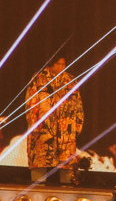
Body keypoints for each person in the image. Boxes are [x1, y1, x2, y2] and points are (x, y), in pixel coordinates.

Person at [25, 56, 84, 184]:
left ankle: (66, 190)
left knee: (67, 164)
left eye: (63, 64)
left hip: (66, 130)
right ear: (51, 63)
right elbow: (31, 102)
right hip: (43, 129)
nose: (61, 67)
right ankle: (37, 190)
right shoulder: (39, 78)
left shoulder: (70, 79)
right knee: (40, 162)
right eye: (58, 64)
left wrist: (78, 124)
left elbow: (78, 104)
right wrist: (33, 124)